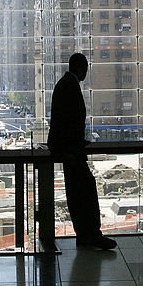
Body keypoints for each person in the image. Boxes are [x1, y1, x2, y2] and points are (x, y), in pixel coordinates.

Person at [47, 53, 117, 250]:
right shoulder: (70, 86)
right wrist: (73, 146)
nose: (87, 72)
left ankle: (85, 234)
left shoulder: (65, 84)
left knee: (78, 192)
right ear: (81, 67)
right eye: (86, 68)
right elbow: (70, 120)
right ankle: (91, 234)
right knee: (84, 190)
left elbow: (64, 120)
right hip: (70, 151)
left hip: (68, 149)